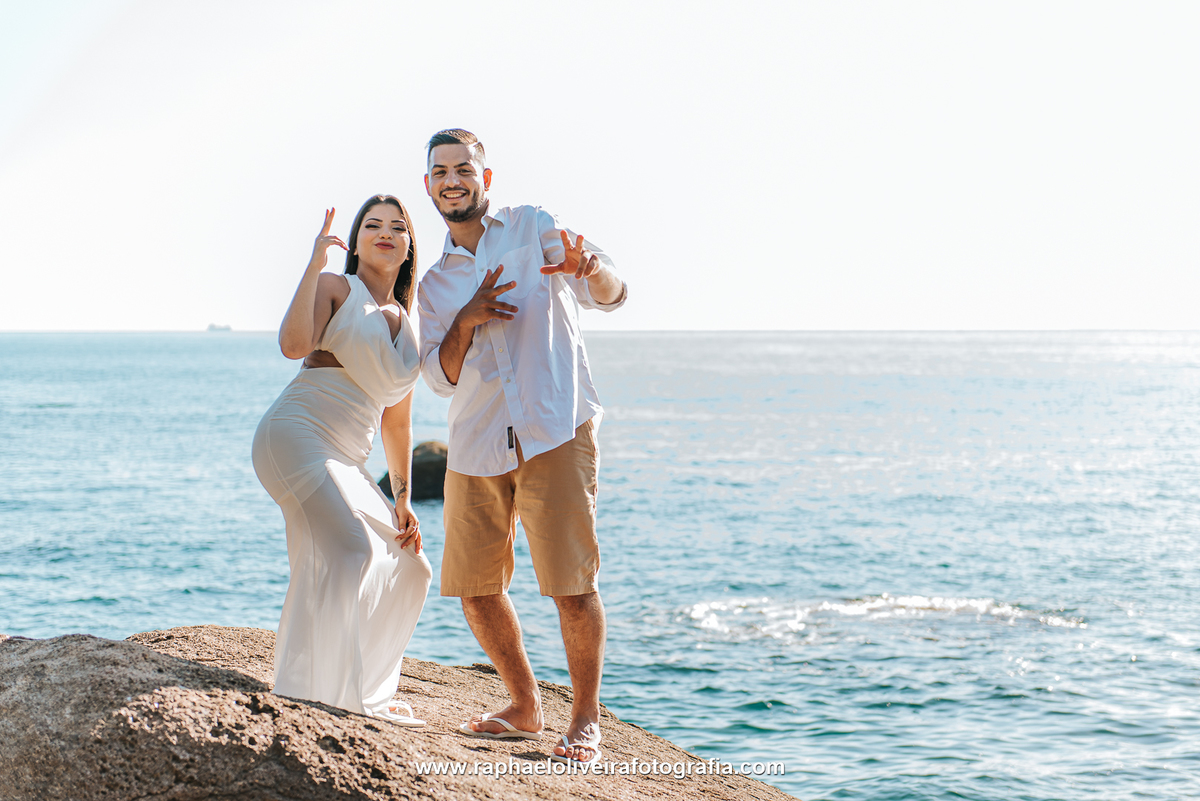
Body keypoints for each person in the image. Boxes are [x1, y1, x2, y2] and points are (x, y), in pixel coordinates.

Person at [416, 129, 627, 766]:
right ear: (428, 185)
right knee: (474, 586)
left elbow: (613, 293)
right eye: (440, 172)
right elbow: (438, 378)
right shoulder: (433, 284)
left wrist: (590, 269)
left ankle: (584, 720)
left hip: (554, 427)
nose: (452, 180)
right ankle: (525, 704)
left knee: (571, 584)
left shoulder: (534, 226)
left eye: (463, 169)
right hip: (477, 440)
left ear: (485, 177)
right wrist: (466, 317)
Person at [252, 195, 432, 726]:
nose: (385, 232)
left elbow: (397, 423)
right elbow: (293, 346)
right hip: (296, 435)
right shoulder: (337, 287)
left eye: (397, 226)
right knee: (353, 551)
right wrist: (314, 265)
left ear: (408, 247)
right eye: (373, 225)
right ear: (354, 244)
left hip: (349, 460)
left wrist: (402, 498)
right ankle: (314, 690)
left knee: (412, 568)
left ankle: (366, 689)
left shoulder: (410, 326)